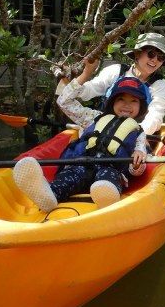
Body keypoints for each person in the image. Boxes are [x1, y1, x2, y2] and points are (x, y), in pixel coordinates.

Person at [14, 77, 152, 211]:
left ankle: (107, 196)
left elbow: (138, 165)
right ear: (112, 102)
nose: (126, 105)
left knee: (108, 177)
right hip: (82, 164)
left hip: (111, 168)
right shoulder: (93, 117)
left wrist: (137, 163)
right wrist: (85, 74)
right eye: (121, 99)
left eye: (133, 100)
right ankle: (50, 195)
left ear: (141, 107)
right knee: (70, 176)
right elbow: (64, 102)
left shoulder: (139, 132)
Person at [57, 32, 165, 134]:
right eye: (151, 54)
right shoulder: (115, 71)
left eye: (161, 57)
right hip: (103, 125)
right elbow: (84, 92)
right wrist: (86, 73)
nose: (155, 60)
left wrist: (134, 134)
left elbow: (155, 114)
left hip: (136, 130)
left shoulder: (160, 84)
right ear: (138, 54)